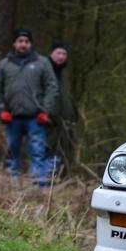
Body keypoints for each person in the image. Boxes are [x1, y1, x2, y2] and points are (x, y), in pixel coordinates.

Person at [0, 29, 59, 188]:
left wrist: (45, 111)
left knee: (37, 151)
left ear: (31, 44)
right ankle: (11, 184)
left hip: (36, 118)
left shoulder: (42, 63)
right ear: (14, 43)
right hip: (11, 117)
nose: (23, 44)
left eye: (26, 41)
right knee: (12, 150)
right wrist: (1, 109)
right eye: (20, 41)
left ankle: (38, 186)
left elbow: (52, 87)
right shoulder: (4, 65)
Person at [46, 40, 77, 177]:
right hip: (48, 121)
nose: (61, 56)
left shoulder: (64, 74)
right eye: (58, 53)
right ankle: (42, 181)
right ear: (51, 54)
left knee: (61, 152)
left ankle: (53, 180)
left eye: (64, 53)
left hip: (64, 123)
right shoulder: (45, 71)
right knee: (47, 150)